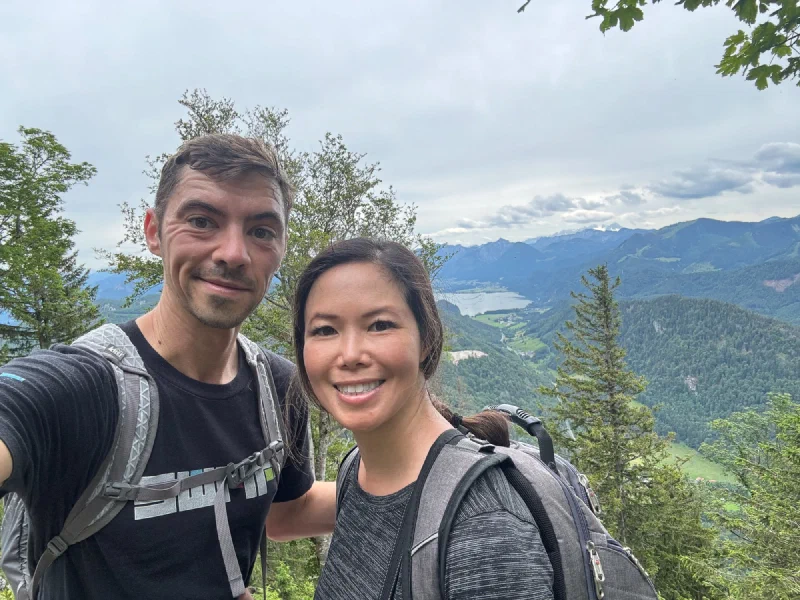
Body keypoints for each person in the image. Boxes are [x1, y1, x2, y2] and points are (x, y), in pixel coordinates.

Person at [0, 134, 336, 599]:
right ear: (154, 231)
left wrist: (418, 478)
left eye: (261, 231)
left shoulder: (277, 388)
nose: (233, 253)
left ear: (280, 248)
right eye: (201, 221)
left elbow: (287, 512)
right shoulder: (85, 388)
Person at [292, 238, 554, 599]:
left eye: (379, 325)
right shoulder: (357, 471)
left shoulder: (484, 530)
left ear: (426, 338)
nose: (350, 355)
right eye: (325, 330)